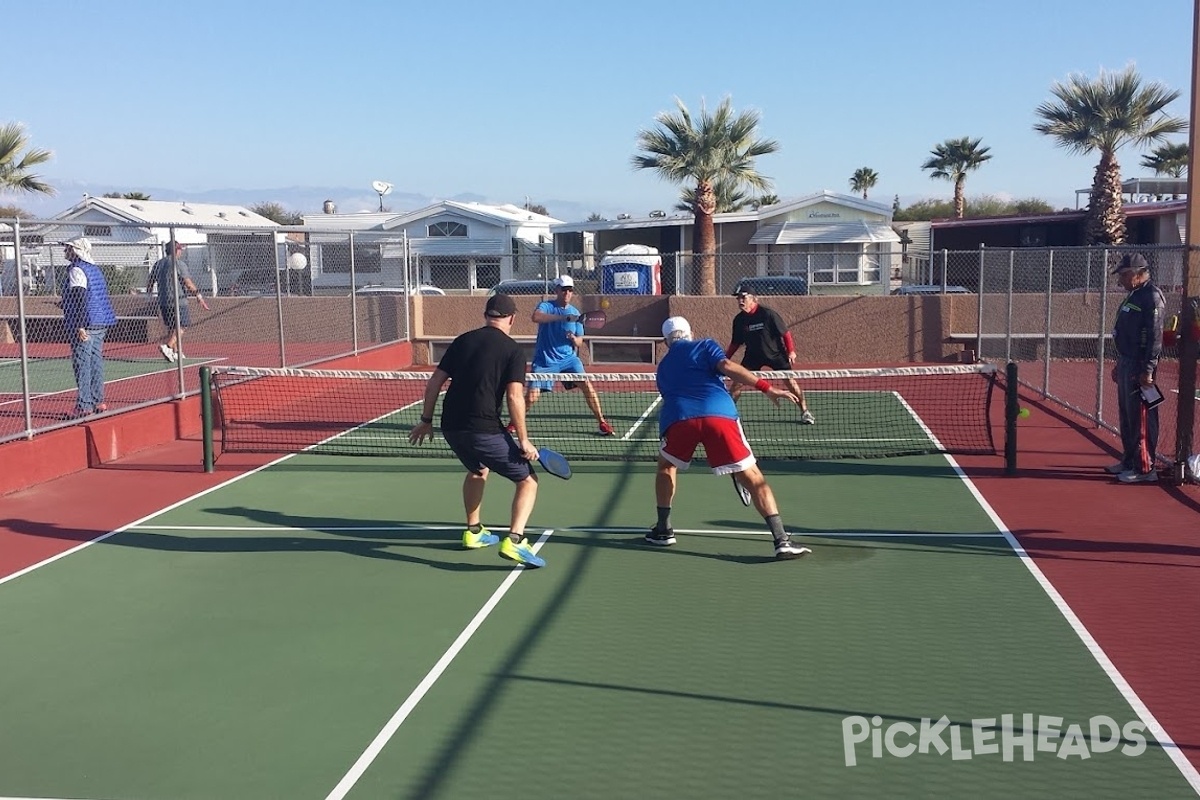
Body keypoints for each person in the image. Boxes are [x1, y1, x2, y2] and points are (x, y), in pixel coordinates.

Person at [648, 316, 812, 560]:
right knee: (754, 477)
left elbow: (670, 393)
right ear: (690, 332)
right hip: (720, 415)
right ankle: (781, 541)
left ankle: (663, 530)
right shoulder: (705, 345)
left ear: (665, 341)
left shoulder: (662, 367)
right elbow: (727, 365)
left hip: (679, 418)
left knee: (666, 467)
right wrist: (767, 388)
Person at [408, 293, 546, 568]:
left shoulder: (463, 341)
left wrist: (426, 419)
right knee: (528, 481)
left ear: (486, 315)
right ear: (512, 319)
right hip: (483, 429)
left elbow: (435, 382)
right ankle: (515, 541)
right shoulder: (513, 351)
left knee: (478, 470)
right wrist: (524, 441)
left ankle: (474, 533)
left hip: (451, 427)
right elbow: (515, 397)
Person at [510, 274, 614, 436]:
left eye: (570, 290)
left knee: (587, 386)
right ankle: (513, 423)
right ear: (557, 290)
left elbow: (580, 341)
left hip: (569, 360)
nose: (567, 293)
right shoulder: (546, 306)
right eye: (564, 289)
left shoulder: (576, 313)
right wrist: (562, 318)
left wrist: (574, 338)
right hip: (545, 360)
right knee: (531, 397)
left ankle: (602, 422)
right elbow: (536, 317)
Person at [1105, 253, 1165, 484]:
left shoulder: (1152, 297)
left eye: (1124, 275)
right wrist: (1120, 362)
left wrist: (1148, 369)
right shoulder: (1135, 295)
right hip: (1127, 361)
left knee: (1141, 418)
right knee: (1127, 416)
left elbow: (1155, 337)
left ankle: (1145, 468)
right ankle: (1129, 460)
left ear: (1138, 274)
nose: (1121, 280)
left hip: (1140, 365)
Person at [726, 288, 815, 424]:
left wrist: (791, 351)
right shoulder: (739, 320)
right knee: (737, 384)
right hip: (752, 356)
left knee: (790, 383)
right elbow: (735, 343)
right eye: (738, 298)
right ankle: (728, 414)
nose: (740, 301)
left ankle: (805, 412)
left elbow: (785, 334)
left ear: (753, 298)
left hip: (776, 355)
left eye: (743, 297)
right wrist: (724, 358)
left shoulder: (768, 314)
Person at [60, 238, 117, 418]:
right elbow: (91, 295)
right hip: (101, 319)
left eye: (68, 249)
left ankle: (84, 404)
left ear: (75, 251)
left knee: (82, 363)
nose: (65, 252)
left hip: (86, 321)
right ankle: (98, 400)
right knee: (95, 361)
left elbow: (80, 297)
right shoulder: (94, 268)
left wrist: (80, 325)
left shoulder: (77, 269)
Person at [147, 240, 208, 362]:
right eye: (180, 250)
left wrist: (149, 297)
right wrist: (199, 296)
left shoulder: (158, 264)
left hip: (164, 302)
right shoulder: (179, 264)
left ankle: (176, 352)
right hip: (178, 302)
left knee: (172, 327)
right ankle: (168, 346)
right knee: (183, 326)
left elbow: (150, 282)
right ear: (176, 250)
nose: (181, 252)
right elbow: (188, 283)